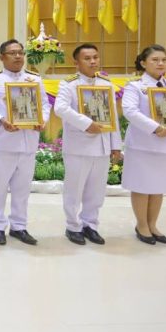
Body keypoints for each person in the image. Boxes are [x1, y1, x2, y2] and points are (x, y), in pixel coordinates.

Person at [0, 39, 51, 246]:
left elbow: (45, 104)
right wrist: (0, 120)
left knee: (22, 188)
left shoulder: (34, 79)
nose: (18, 56)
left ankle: (19, 226)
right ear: (2, 57)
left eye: (20, 52)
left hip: (28, 141)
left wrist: (42, 120)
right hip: (3, 142)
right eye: (12, 53)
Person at [121, 44, 166, 245]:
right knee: (142, 186)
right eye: (155, 60)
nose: (160, 63)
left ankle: (153, 225)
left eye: (164, 60)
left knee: (158, 187)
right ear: (143, 63)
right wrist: (155, 128)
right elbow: (129, 111)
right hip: (142, 145)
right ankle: (141, 225)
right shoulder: (135, 86)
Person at [54, 43, 123, 245]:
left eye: (95, 57)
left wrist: (115, 145)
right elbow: (60, 108)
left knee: (96, 190)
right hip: (79, 146)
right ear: (76, 62)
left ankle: (90, 225)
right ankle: (73, 226)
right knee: (74, 190)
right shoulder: (69, 84)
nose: (93, 61)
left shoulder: (106, 84)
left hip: (101, 146)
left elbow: (113, 116)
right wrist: (86, 124)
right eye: (87, 58)